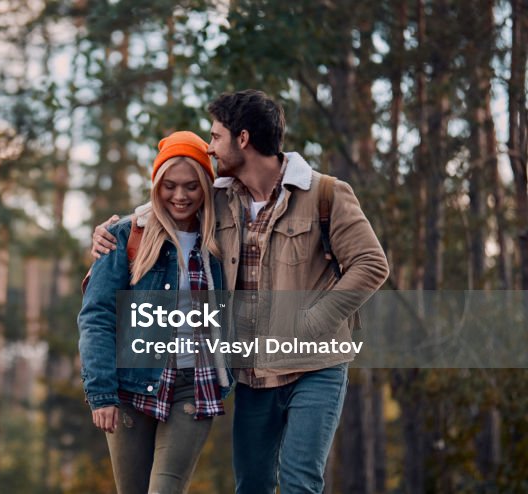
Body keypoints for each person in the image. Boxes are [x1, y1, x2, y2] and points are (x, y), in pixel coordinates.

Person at [91, 90, 389, 493]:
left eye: (215, 136)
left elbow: (372, 264)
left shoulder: (325, 194)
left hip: (316, 365)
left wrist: (314, 320)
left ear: (243, 139)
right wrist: (109, 233)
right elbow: (167, 202)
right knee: (252, 484)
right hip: (252, 374)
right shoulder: (221, 198)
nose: (210, 148)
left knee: (301, 480)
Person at [78, 131, 232, 494]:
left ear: (207, 187)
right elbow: (96, 316)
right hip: (131, 385)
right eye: (170, 186)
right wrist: (102, 393)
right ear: (156, 185)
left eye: (192, 186)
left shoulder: (223, 238)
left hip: (193, 386)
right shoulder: (124, 235)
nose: (180, 196)